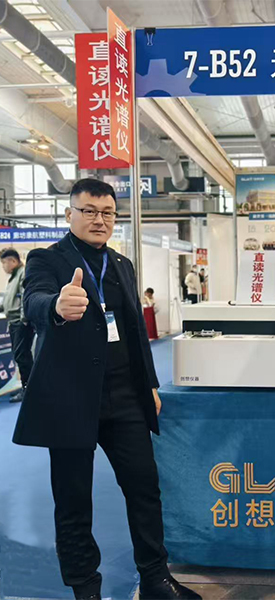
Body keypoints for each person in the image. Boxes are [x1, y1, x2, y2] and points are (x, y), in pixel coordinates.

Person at [13, 178, 201, 600]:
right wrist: (56, 306)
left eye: (108, 213)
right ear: (70, 214)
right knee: (74, 500)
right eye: (89, 211)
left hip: (125, 396)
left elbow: (134, 330)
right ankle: (86, 588)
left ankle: (155, 577)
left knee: (144, 488)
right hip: (70, 400)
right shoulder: (46, 259)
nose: (99, 220)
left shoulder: (121, 264)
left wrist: (149, 384)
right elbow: (34, 302)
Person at [0, 248, 34, 403]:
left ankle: (28, 390)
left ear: (13, 261)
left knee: (23, 357)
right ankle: (27, 387)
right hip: (14, 322)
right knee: (20, 357)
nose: (3, 267)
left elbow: (25, 298)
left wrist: (23, 321)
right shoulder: (13, 277)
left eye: (3, 263)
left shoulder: (22, 273)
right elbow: (10, 300)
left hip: (20, 323)